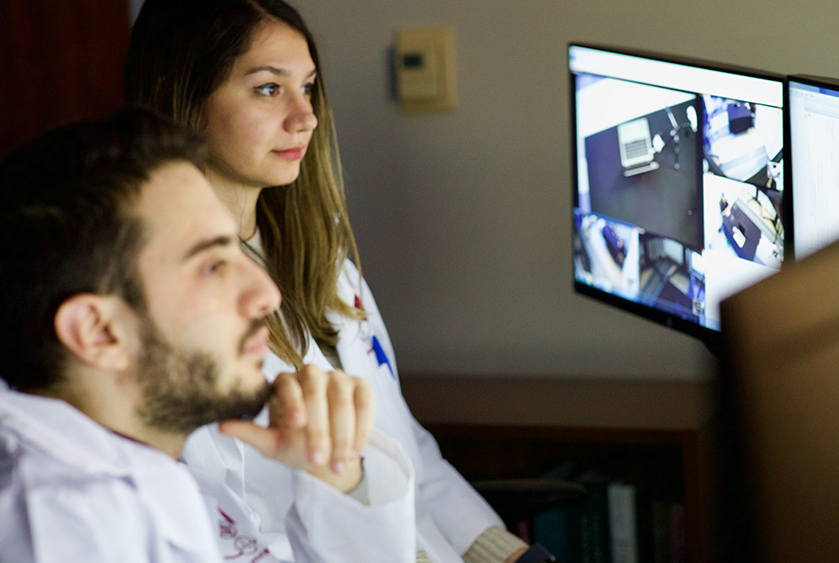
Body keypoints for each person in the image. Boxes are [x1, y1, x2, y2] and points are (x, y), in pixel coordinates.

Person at [124, 1, 545, 562]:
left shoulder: (320, 262)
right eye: (269, 89)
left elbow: (408, 450)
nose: (306, 117)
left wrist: (509, 555)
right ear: (180, 97)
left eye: (309, 87)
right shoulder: (162, 312)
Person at [0, 109, 416, 562]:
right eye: (213, 265)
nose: (268, 294)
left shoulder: (135, 480)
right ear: (99, 332)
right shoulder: (64, 531)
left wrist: (335, 476)